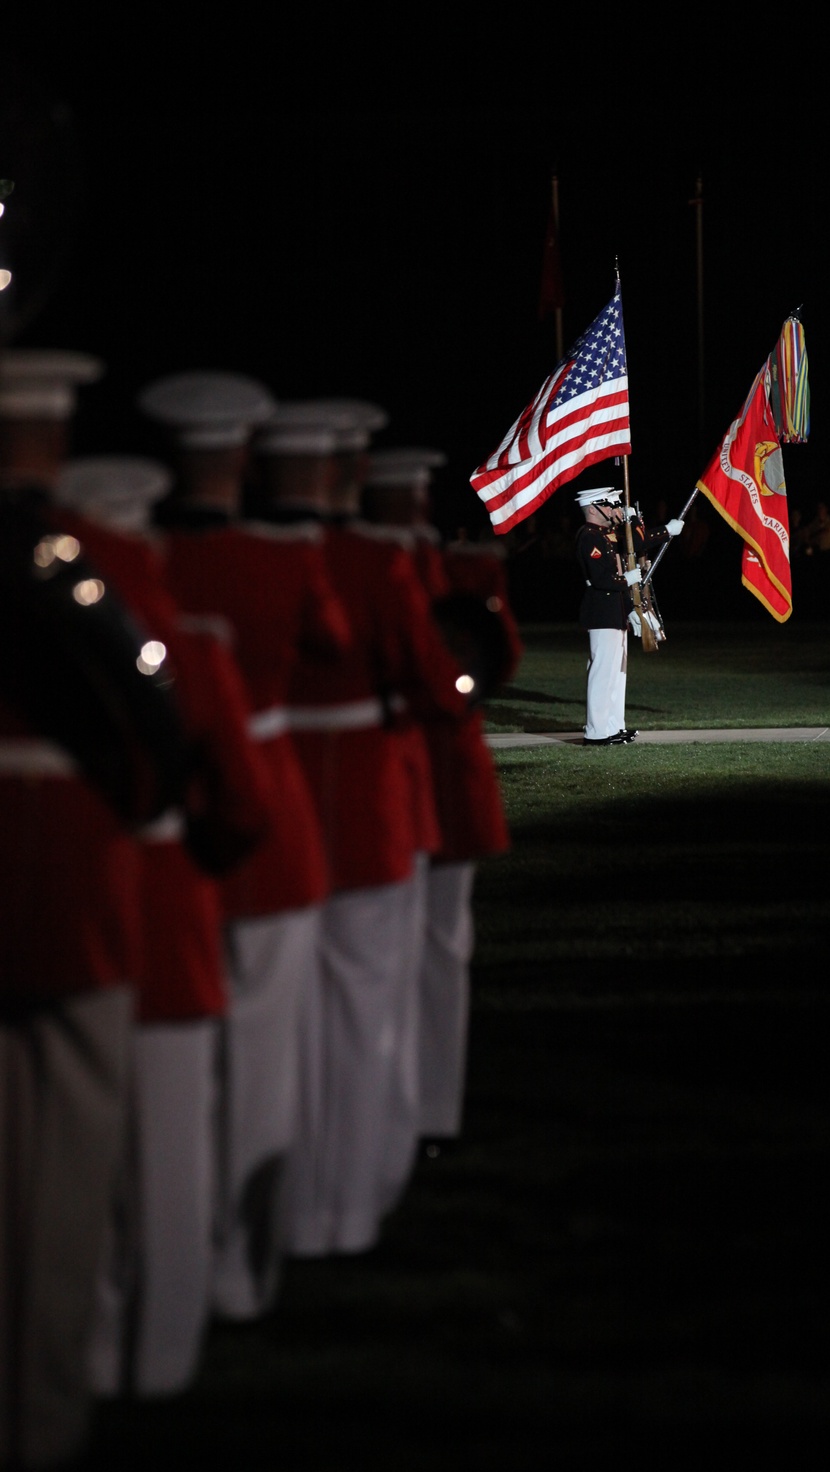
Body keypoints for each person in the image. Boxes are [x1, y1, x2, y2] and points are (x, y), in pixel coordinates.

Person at [0, 351, 189, 1472]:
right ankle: (42, 1426)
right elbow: (165, 735)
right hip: (71, 887)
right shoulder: (105, 563)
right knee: (67, 1178)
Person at [52, 454, 274, 1399]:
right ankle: (164, 1353)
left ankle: (88, 1348)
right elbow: (244, 807)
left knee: (72, 1162)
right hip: (171, 908)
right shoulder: (192, 645)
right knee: (173, 1150)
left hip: (71, 916)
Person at [138, 369, 352, 1321]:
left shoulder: (131, 559)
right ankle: (237, 1268)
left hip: (158, 836)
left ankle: (153, 1269)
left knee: (167, 1079)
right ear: (245, 458)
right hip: (264, 822)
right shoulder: (277, 562)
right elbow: (336, 643)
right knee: (262, 1063)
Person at [250, 401, 470, 1254]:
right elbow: (430, 677)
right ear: (346, 474)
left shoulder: (238, 556)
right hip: (369, 800)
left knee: (281, 1025)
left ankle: (284, 1207)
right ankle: (346, 1204)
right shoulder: (377, 565)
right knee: (367, 1013)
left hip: (276, 798)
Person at [362, 446, 523, 1145]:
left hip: (414, 784)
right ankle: (418, 1110)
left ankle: (415, 1110)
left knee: (408, 951)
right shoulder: (433, 572)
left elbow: (491, 661)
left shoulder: (445, 572)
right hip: (414, 783)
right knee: (423, 951)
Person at [574, 485, 682, 745]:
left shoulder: (604, 534)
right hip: (601, 611)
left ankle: (612, 726)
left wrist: (662, 530)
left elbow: (638, 542)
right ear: (592, 508)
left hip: (614, 611)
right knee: (603, 672)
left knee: (616, 673)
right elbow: (601, 578)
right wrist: (625, 580)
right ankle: (597, 732)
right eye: (607, 505)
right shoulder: (589, 536)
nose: (613, 509)